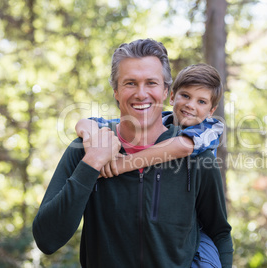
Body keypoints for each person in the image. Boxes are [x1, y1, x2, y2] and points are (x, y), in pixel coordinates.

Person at [33, 38, 233, 268]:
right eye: (130, 83)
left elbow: (219, 233)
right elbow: (46, 240)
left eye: (151, 83)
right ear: (116, 91)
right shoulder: (86, 148)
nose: (141, 93)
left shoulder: (198, 157)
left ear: (166, 90)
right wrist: (91, 164)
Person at [75, 63, 225, 268]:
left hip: (195, 231)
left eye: (201, 101)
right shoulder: (159, 120)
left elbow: (182, 146)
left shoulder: (209, 128)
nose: (191, 105)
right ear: (172, 96)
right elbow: (92, 122)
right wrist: (89, 134)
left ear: (211, 110)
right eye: (186, 96)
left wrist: (121, 165)